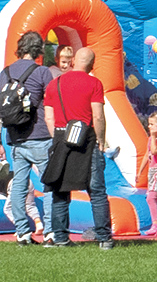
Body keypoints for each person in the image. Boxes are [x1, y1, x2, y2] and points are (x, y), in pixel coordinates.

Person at [43, 47, 113, 250]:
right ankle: (104, 238)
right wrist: (101, 139)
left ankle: (61, 238)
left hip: (60, 139)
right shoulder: (94, 83)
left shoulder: (53, 84)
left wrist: (58, 136)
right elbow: (98, 115)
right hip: (87, 140)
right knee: (97, 191)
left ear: (73, 61)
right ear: (92, 64)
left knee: (59, 191)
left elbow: (49, 117)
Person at [2, 31, 56, 245]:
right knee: (49, 184)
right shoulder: (42, 72)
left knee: (19, 186)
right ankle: (50, 232)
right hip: (40, 135)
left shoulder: (4, 73)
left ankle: (23, 232)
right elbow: (51, 102)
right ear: (38, 51)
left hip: (15, 137)